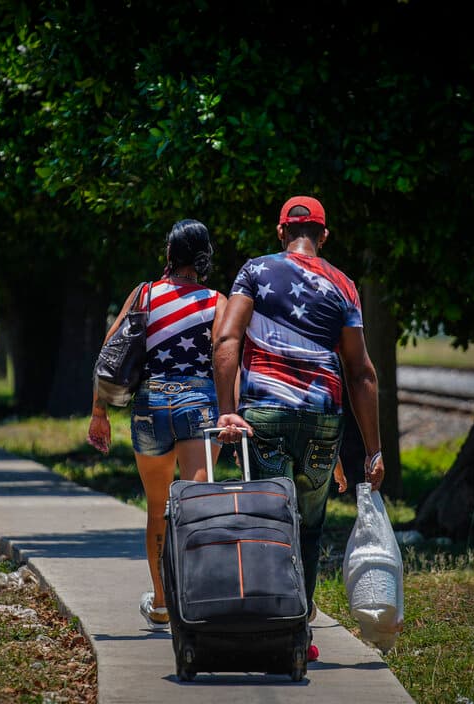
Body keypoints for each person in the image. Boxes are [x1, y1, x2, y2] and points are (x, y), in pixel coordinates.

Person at [213, 195, 385, 639]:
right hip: (323, 421)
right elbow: (361, 371)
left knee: (268, 524)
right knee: (309, 527)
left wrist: (228, 413)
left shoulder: (254, 272)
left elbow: (227, 340)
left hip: (265, 417)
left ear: (280, 231)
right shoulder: (345, 286)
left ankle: (269, 626)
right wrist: (373, 451)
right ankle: (300, 629)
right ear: (324, 236)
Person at [87, 219, 227, 631]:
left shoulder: (145, 293)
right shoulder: (216, 301)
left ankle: (164, 603)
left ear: (169, 255)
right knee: (196, 504)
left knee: (157, 508)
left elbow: (110, 352)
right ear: (204, 258)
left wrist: (99, 412)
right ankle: (198, 599)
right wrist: (233, 410)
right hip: (198, 405)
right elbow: (223, 359)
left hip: (150, 406)